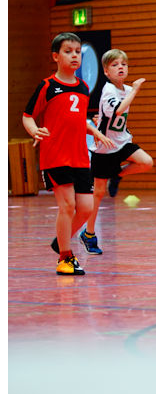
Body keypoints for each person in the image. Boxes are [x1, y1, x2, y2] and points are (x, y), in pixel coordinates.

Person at [23, 32, 114, 275]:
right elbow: (28, 116)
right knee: (68, 205)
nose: (74, 56)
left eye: (77, 52)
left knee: (85, 208)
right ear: (56, 56)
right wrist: (34, 130)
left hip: (80, 157)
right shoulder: (47, 86)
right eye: (68, 51)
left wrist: (95, 130)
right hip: (55, 155)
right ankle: (65, 257)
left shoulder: (84, 88)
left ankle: (60, 241)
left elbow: (77, 118)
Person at [80, 49, 154, 254]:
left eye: (124, 64)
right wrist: (135, 91)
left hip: (122, 142)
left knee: (146, 162)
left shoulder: (126, 89)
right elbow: (119, 110)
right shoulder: (109, 91)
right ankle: (89, 234)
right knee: (98, 194)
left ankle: (117, 175)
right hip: (105, 148)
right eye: (115, 65)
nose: (120, 67)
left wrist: (131, 91)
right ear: (106, 71)